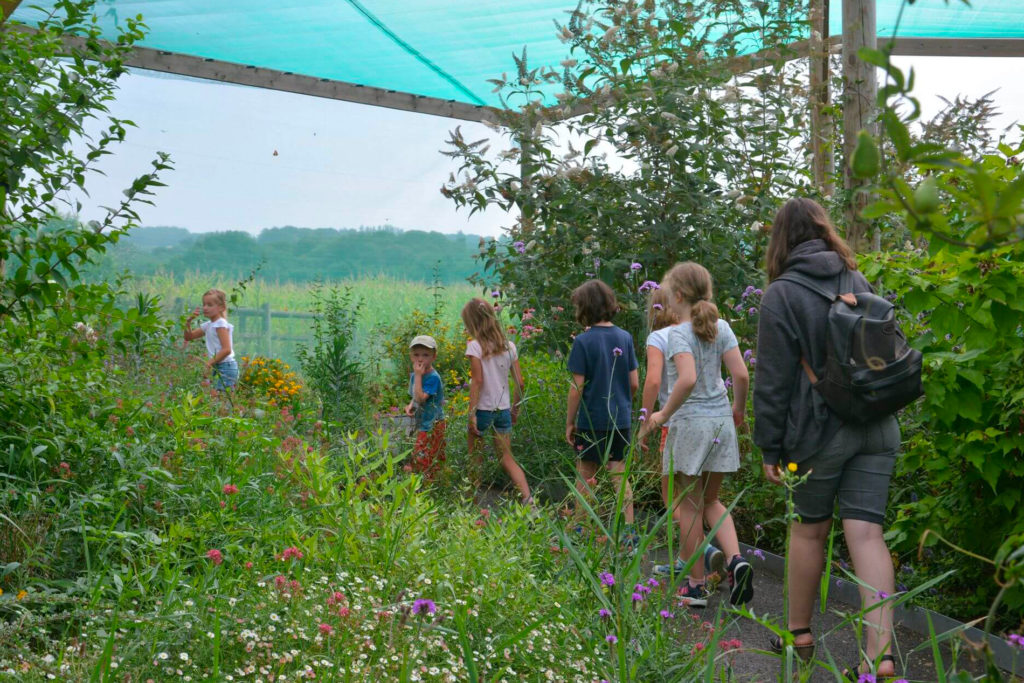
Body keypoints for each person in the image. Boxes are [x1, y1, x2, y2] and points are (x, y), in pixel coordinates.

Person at [754, 197, 900, 679]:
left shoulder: (781, 294)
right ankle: (879, 657)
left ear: (781, 241)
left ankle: (799, 634)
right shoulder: (856, 280)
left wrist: (769, 448)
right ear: (824, 231)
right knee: (867, 534)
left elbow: (773, 381)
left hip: (819, 433)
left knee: (809, 529)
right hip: (877, 425)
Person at [638, 262, 751, 608]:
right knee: (712, 501)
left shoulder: (678, 334)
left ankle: (696, 585)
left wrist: (661, 414)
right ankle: (735, 561)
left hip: (689, 425)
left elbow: (685, 380)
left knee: (688, 504)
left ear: (678, 295)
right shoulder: (724, 328)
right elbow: (742, 376)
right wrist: (738, 411)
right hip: (720, 423)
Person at [565, 279, 639, 543]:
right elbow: (634, 383)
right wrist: (623, 405)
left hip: (591, 419)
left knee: (586, 474)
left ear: (584, 308)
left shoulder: (584, 341)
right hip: (620, 419)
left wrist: (569, 423)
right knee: (619, 474)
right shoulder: (625, 338)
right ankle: (629, 531)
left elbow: (577, 387)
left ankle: (579, 529)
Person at [461, 298, 532, 504]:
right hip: (503, 410)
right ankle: (529, 500)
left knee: (476, 460)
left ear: (472, 323)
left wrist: (472, 413)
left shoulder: (474, 347)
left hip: (482, 410)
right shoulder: (509, 347)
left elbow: (478, 381)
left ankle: (471, 506)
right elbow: (520, 382)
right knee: (507, 459)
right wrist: (515, 410)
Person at [404, 335, 446, 478]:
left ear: (434, 357)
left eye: (425, 355)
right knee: (422, 455)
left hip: (434, 424)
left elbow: (421, 398)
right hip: (423, 423)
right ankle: (425, 484)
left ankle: (430, 486)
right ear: (411, 356)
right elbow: (415, 397)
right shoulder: (416, 375)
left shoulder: (433, 377)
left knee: (429, 456)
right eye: (416, 355)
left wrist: (418, 375)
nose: (420, 359)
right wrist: (411, 405)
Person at [184, 289, 238, 391]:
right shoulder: (209, 325)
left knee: (222, 400)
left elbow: (227, 349)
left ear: (221, 307)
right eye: (204, 304)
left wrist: (209, 363)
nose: (205, 308)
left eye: (209, 305)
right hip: (218, 365)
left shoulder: (220, 324)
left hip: (226, 367)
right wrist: (188, 322)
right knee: (218, 400)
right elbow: (188, 337)